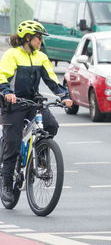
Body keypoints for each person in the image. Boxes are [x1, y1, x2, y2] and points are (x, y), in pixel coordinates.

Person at [0, 20, 73, 202]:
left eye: (41, 38)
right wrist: (8, 93)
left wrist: (64, 95)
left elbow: (52, 80)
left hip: (32, 101)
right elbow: (2, 76)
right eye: (38, 37)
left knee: (50, 125)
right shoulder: (12, 55)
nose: (41, 41)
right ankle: (7, 184)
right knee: (13, 144)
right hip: (14, 103)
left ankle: (40, 155)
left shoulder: (41, 57)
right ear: (27, 38)